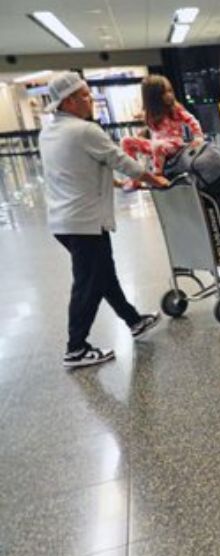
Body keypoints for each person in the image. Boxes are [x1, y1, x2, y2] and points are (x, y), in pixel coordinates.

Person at [38, 72, 169, 368]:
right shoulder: (84, 130)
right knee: (88, 284)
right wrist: (154, 179)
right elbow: (120, 160)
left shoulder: (48, 132)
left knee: (103, 274)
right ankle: (76, 348)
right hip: (84, 222)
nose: (91, 100)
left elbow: (73, 171)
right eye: (85, 95)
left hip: (63, 220)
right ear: (69, 102)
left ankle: (134, 321)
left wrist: (112, 184)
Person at [120, 75, 203, 181]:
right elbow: (155, 131)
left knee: (157, 146)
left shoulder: (176, 109)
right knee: (126, 141)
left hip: (174, 144)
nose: (169, 95)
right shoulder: (151, 113)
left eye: (170, 91)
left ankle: (157, 175)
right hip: (158, 146)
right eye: (163, 93)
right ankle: (135, 176)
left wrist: (198, 136)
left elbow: (191, 120)